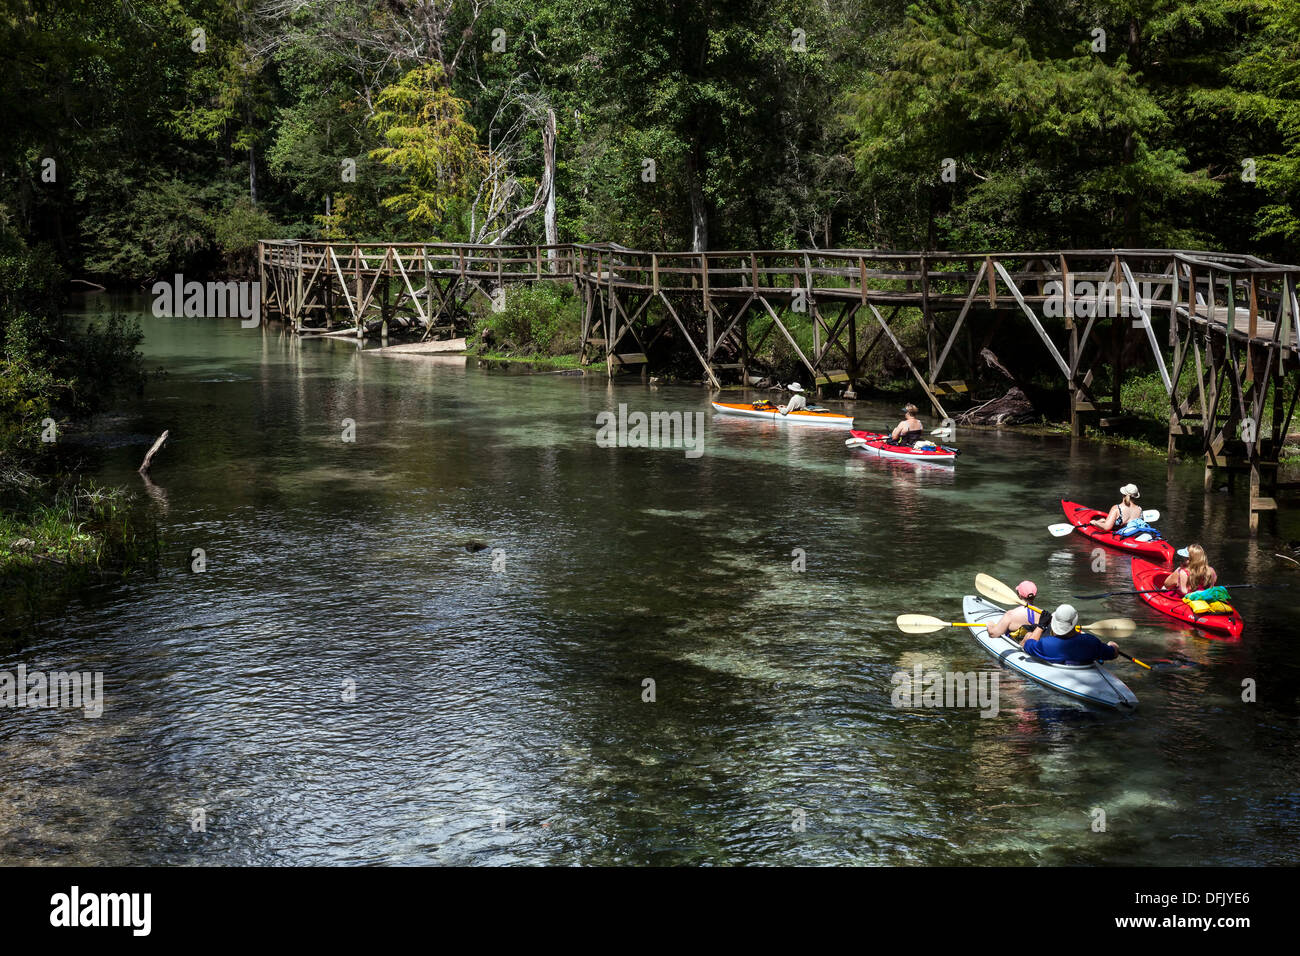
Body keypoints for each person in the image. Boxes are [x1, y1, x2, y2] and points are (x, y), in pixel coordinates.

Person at [1018, 603, 1120, 665]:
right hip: (1084, 667)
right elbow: (1113, 654)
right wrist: (1112, 645)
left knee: (1028, 635)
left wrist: (1041, 626)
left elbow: (1028, 645)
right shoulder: (1091, 641)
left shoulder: (1046, 643)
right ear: (1074, 622)